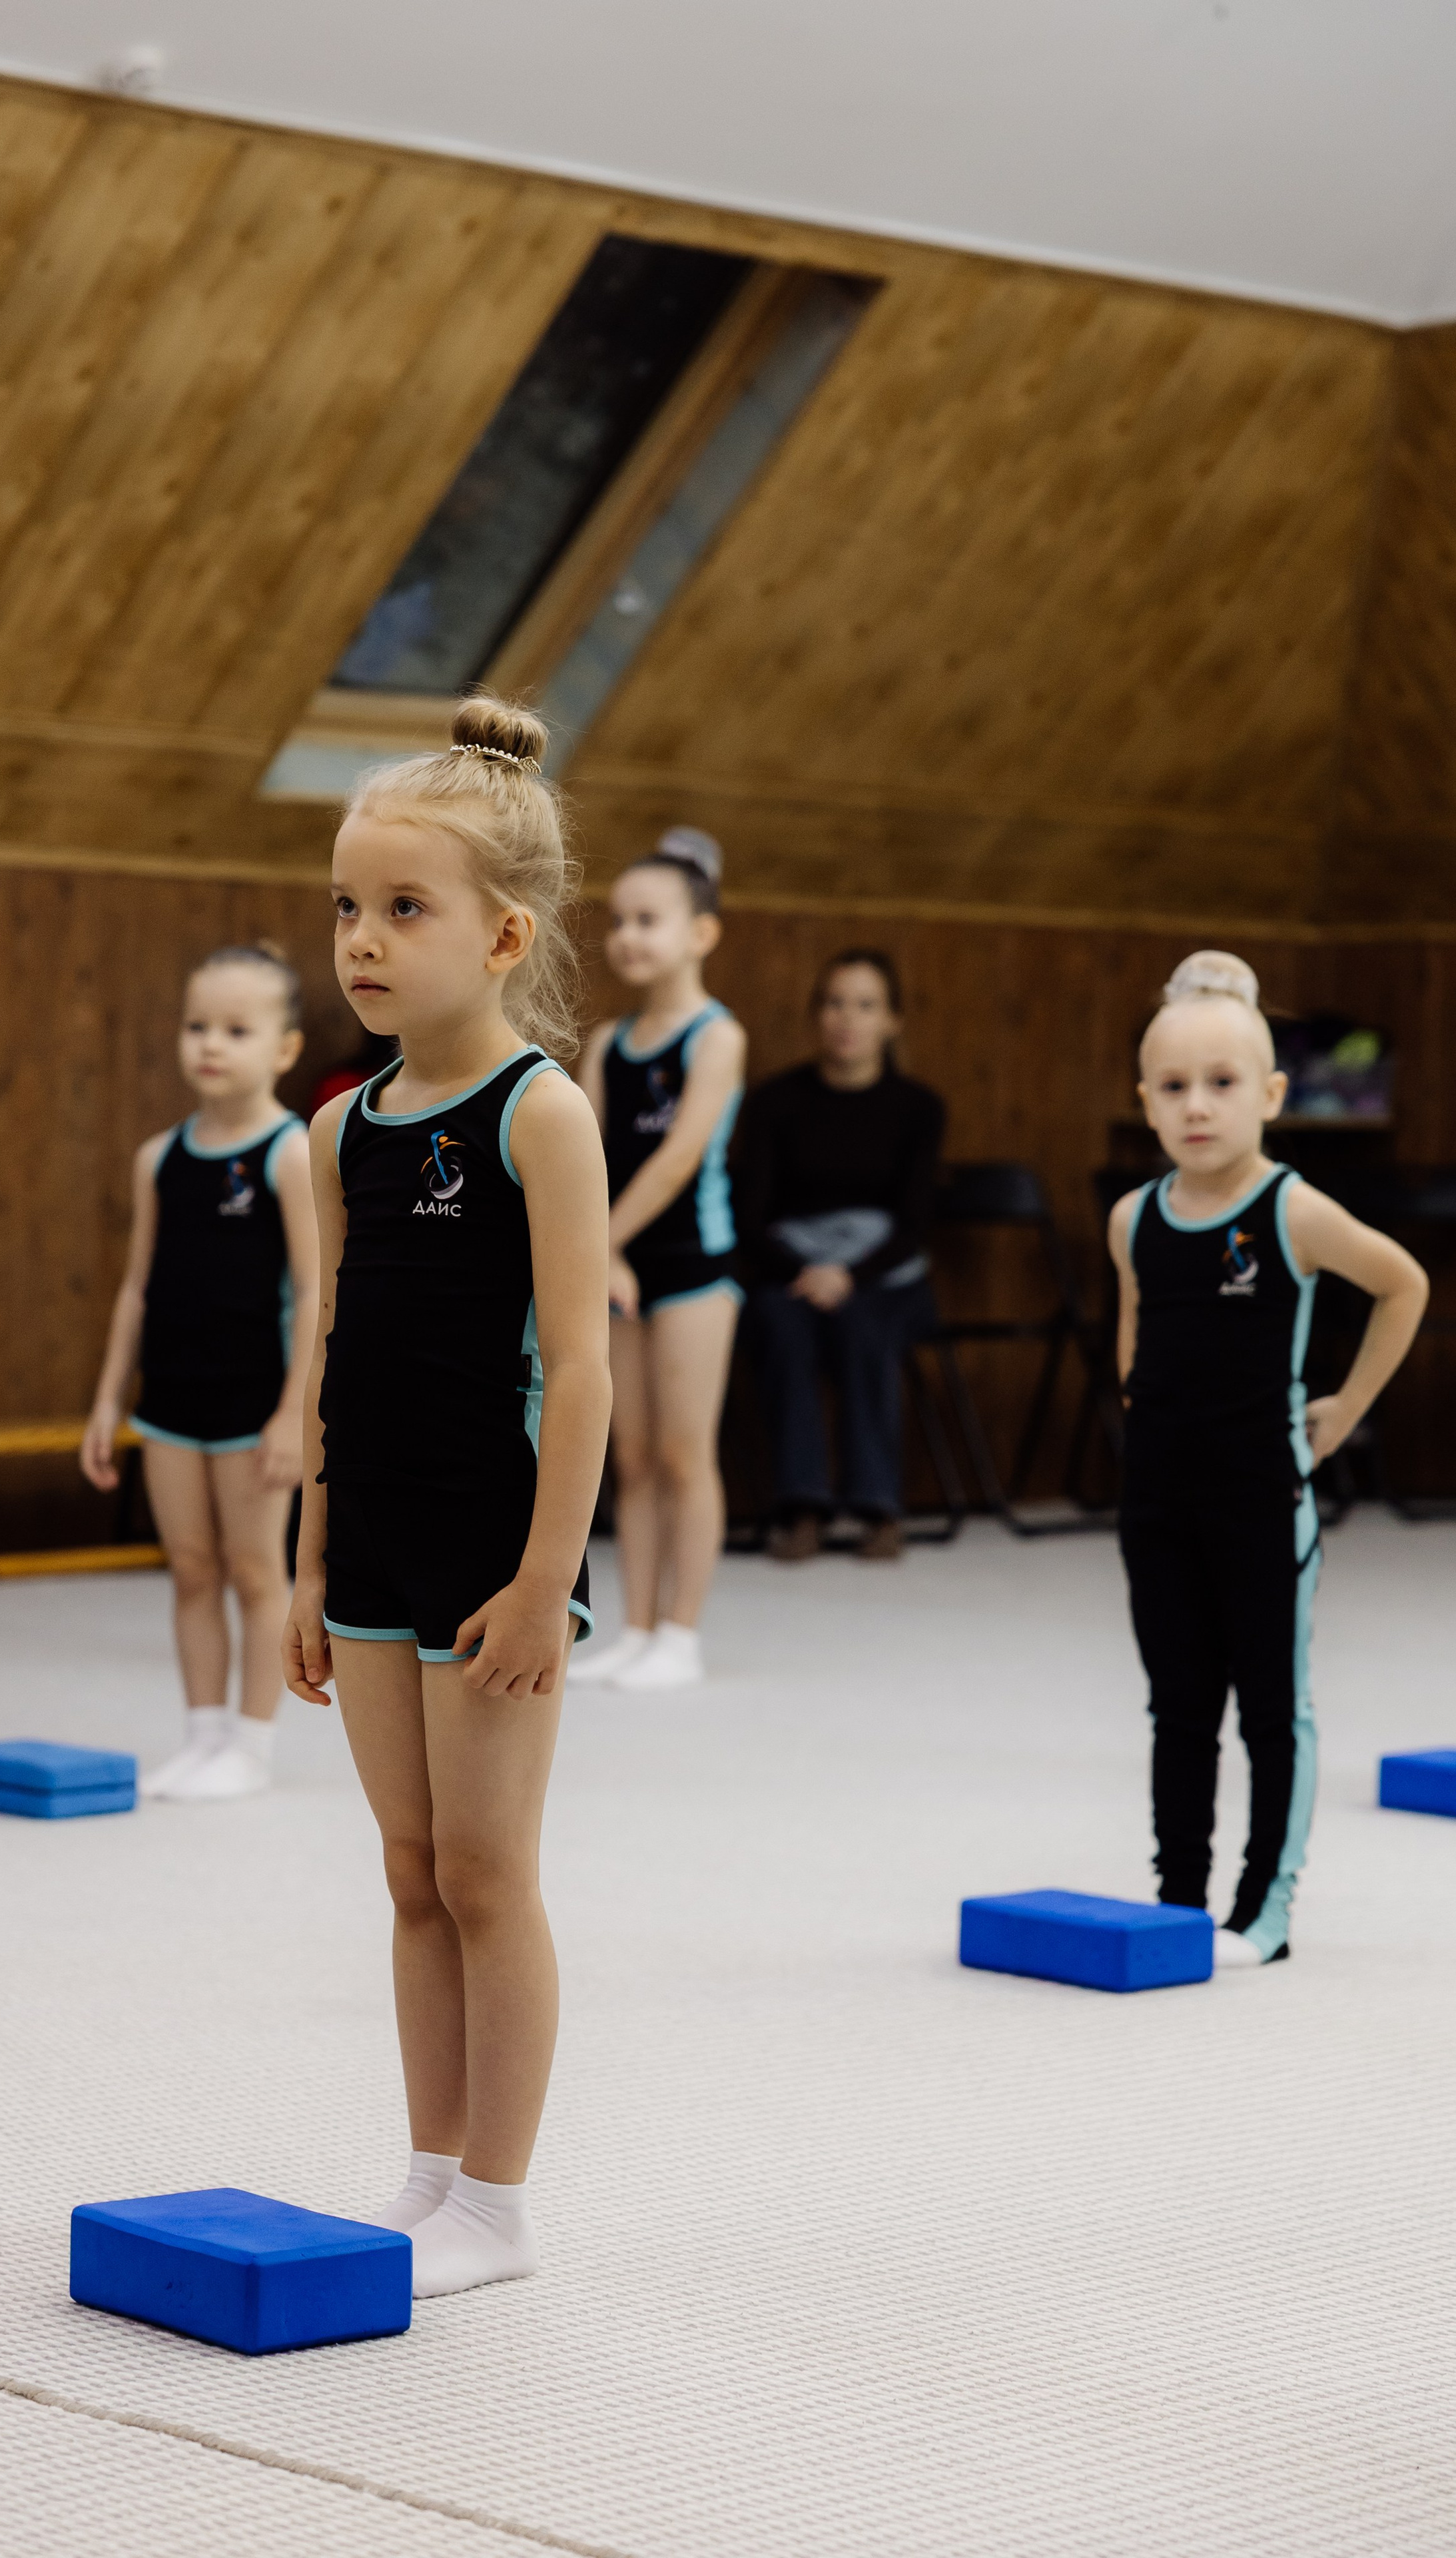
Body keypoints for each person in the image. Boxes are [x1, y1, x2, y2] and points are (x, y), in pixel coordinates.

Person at [282, 693, 611, 2301]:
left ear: (501, 935)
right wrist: (302, 1561)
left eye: (402, 908)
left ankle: (500, 2194)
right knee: (409, 1871)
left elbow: (585, 1368)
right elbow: (330, 1351)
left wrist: (549, 1572)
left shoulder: (538, 1113)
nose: (362, 937)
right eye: (347, 905)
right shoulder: (339, 1129)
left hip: (492, 1543)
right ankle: (426, 2172)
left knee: (488, 1871)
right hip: (370, 1541)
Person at [1108, 951, 1427, 1968]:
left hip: (1260, 1497)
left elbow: (1403, 1284)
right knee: (1179, 1705)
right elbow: (1137, 1342)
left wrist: (1345, 1409)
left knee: (1268, 1707)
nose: (1197, 1106)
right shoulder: (1134, 1220)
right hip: (1157, 1501)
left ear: (1272, 1095)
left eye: (1223, 1083)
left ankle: (1266, 1907)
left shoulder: (1291, 1210)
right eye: (1173, 1088)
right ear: (1146, 1102)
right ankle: (1177, 1894)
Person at [81, 944, 322, 1801]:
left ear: (284, 1049)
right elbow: (137, 1288)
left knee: (257, 1571)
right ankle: (202, 1733)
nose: (210, 1045)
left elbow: (315, 1289)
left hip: (255, 1399)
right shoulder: (160, 1159)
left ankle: (252, 1744)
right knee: (190, 1568)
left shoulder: (291, 1152)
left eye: (235, 1029)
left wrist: (297, 1411)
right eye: (196, 1026)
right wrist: (110, 1398)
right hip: (171, 1399)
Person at [571, 829, 747, 1690]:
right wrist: (602, 1252)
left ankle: (683, 1633)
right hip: (620, 1265)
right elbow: (589, 1154)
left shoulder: (718, 1038)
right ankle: (636, 1626)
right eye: (620, 921)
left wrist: (606, 1243)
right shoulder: (609, 1044)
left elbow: (679, 1158)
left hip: (692, 1270)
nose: (630, 936)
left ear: (701, 934)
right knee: (631, 1458)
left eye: (650, 920)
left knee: (686, 1454)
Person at [733, 949, 944, 1562]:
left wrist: (849, 1276)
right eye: (834, 1002)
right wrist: (808, 1274)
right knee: (781, 1325)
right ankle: (801, 1506)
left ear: (892, 1022)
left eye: (865, 1005)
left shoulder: (919, 1108)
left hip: (884, 1275)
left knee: (863, 1325)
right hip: (791, 1272)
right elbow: (750, 1217)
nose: (846, 1018)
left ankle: (877, 1507)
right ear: (816, 1015)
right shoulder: (774, 1102)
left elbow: (916, 1224)